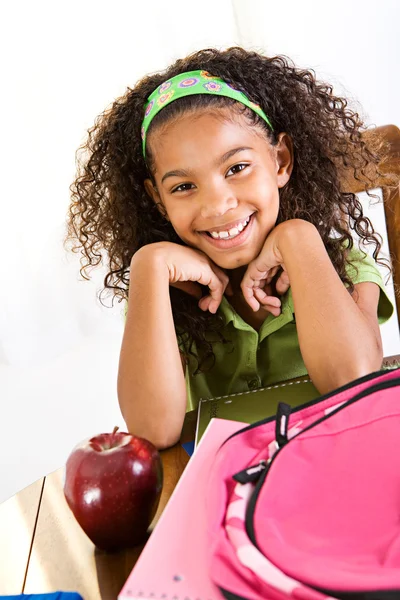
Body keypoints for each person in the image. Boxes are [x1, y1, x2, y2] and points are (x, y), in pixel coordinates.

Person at [66, 47, 395, 449]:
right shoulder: (166, 296)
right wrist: (147, 266)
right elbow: (152, 432)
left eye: (237, 168)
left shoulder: (340, 264)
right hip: (227, 496)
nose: (217, 205)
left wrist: (298, 237)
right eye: (183, 186)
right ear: (157, 199)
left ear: (280, 160)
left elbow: (353, 383)